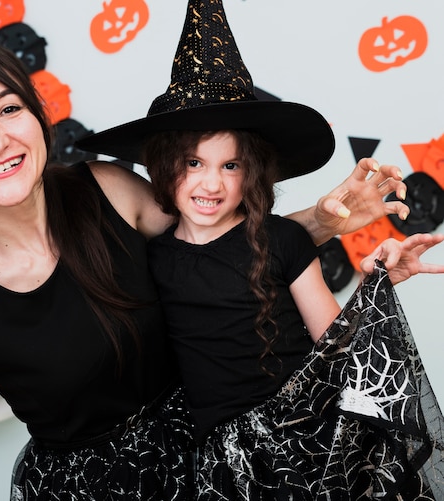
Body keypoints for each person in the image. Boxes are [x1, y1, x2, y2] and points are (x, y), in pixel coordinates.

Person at [0, 38, 434, 501]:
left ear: (38, 121)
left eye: (8, 110)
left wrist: (326, 224)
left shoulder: (109, 190)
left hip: (212, 460)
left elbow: (216, 254)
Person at [76, 0, 444, 499]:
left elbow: (334, 347)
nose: (211, 182)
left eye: (230, 166)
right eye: (193, 162)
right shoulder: (152, 259)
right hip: (225, 464)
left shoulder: (284, 239)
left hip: (312, 440)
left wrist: (376, 283)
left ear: (253, 172)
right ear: (164, 167)